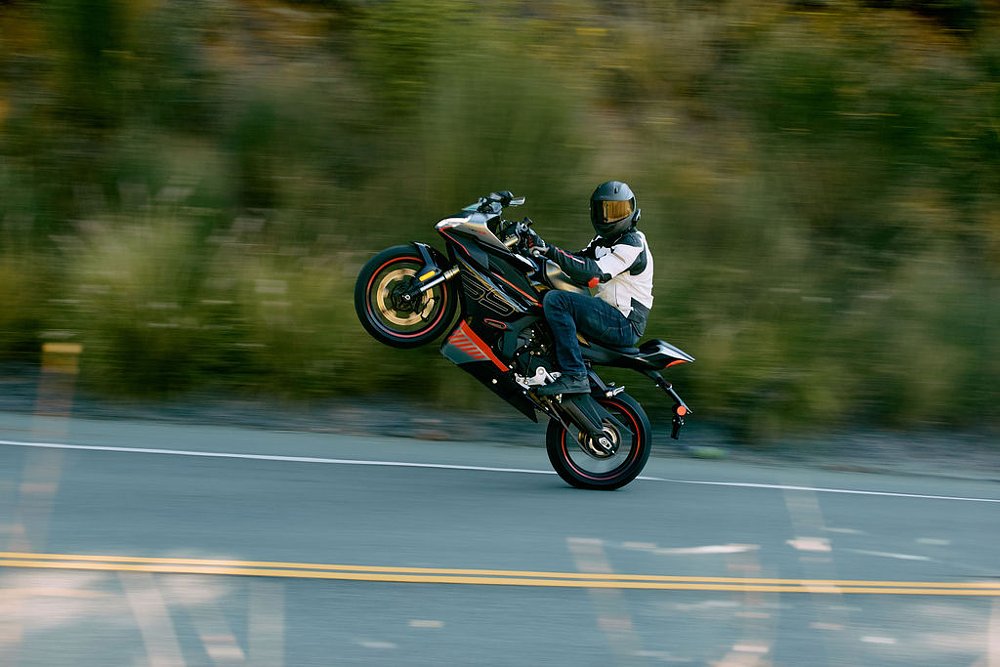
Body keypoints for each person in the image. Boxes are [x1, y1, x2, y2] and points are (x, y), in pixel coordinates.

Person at [526, 180, 654, 396]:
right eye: (605, 211)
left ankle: (575, 374)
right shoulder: (603, 240)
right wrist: (534, 249)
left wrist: (549, 250)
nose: (611, 217)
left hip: (624, 324)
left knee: (557, 301)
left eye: (618, 211)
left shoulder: (632, 244)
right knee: (549, 287)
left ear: (632, 210)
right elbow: (576, 261)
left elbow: (593, 272)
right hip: (610, 314)